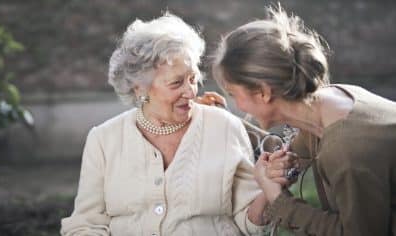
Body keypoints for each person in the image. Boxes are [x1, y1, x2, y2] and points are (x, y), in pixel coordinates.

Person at [60, 13, 293, 236]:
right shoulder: (104, 139)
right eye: (176, 83)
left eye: (192, 79)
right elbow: (86, 224)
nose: (190, 91)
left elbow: (250, 222)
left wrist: (268, 187)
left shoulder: (224, 127)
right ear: (139, 87)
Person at [212, 5, 396, 236]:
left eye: (233, 94)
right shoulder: (334, 99)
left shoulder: (347, 151)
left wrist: (278, 199)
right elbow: (299, 149)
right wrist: (284, 166)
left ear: (263, 92)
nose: (237, 106)